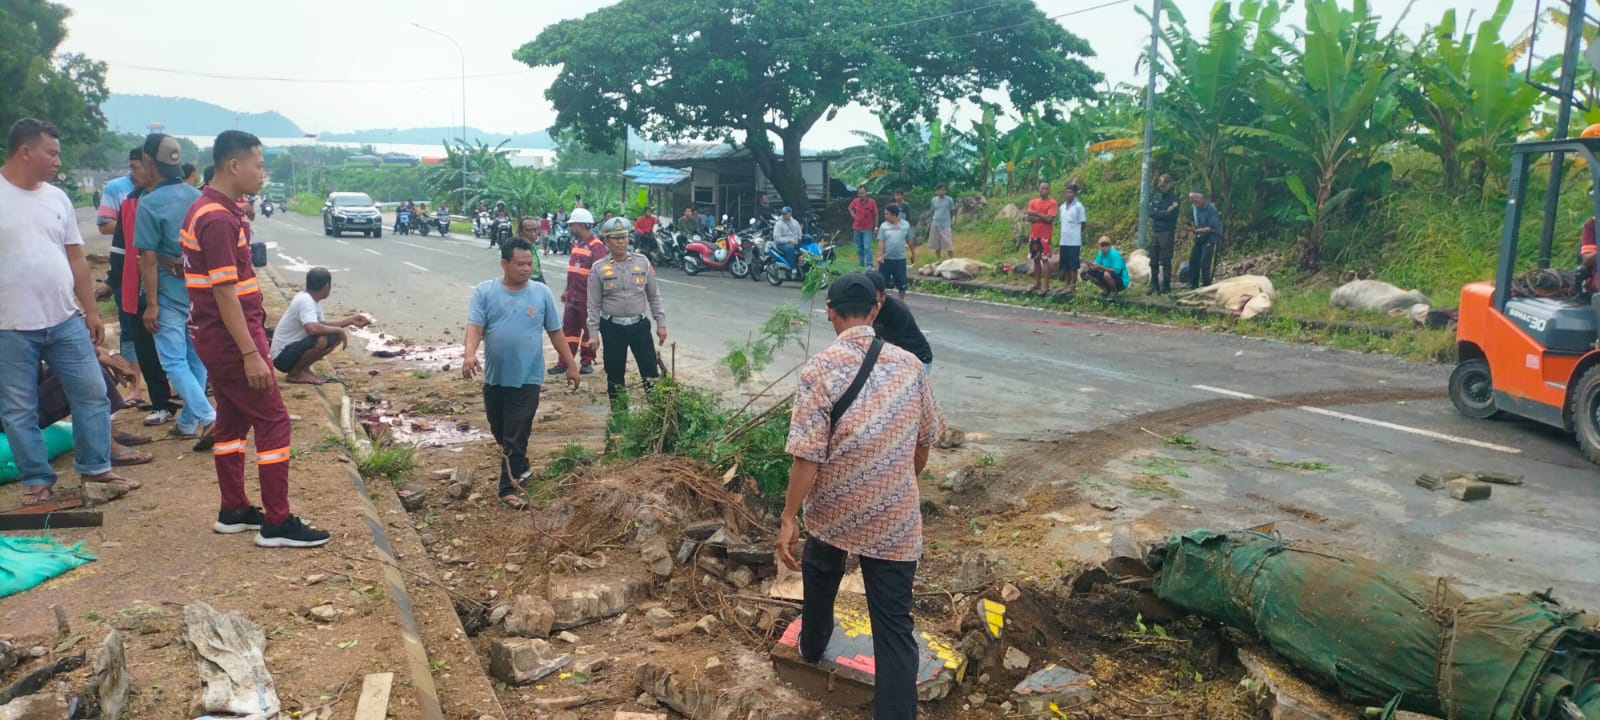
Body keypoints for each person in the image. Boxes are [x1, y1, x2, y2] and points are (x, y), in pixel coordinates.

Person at [776, 273, 946, 720]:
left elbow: (807, 458)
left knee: (819, 570)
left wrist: (790, 516)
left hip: (834, 512)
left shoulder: (819, 370)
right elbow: (926, 440)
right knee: (893, 626)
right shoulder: (910, 365)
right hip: (895, 520)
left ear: (830, 311)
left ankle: (812, 646)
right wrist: (897, 481)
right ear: (874, 310)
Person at [185, 130, 329, 546]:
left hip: (219, 338)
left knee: (232, 421)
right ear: (234, 165)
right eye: (259, 164)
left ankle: (234, 509)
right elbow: (225, 292)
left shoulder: (213, 210)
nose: (263, 173)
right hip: (233, 343)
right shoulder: (214, 218)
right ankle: (277, 522)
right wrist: (251, 352)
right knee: (274, 420)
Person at [0, 118, 140, 506]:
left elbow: (76, 259)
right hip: (8, 327)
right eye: (52, 153)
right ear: (25, 152)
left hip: (64, 320)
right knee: (17, 409)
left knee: (92, 393)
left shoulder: (57, 199)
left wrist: (91, 312)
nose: (58, 161)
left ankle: (96, 470)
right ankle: (37, 483)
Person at [463, 237, 580, 509]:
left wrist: (570, 364)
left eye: (529, 264)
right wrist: (469, 354)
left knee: (516, 433)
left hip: (528, 376)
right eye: (520, 264)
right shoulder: (485, 292)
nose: (526, 269)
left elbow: (555, 332)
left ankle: (507, 487)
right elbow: (475, 328)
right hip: (495, 376)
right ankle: (522, 464)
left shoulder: (541, 293)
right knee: (500, 429)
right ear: (505, 263)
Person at [134, 132, 217, 448]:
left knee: (172, 360)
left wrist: (151, 303)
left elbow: (148, 258)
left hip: (168, 293)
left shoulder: (150, 203)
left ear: (148, 160)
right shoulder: (198, 198)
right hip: (199, 291)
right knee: (195, 357)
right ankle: (187, 422)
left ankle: (209, 418)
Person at [115, 147, 178, 427]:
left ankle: (193, 399)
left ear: (150, 166)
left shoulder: (170, 200)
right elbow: (120, 248)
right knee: (145, 347)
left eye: (135, 167)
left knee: (180, 346)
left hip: (171, 288)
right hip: (135, 287)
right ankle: (162, 402)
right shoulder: (129, 202)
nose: (132, 173)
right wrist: (112, 281)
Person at [585, 217, 667, 402]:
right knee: (615, 375)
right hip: (612, 328)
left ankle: (657, 413)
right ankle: (619, 419)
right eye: (615, 238)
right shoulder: (599, 268)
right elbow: (593, 304)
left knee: (649, 372)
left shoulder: (642, 262)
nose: (620, 241)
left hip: (639, 326)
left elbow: (654, 296)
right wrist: (592, 334)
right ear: (606, 241)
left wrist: (660, 323)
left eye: (623, 237)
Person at [269, 267, 369, 385]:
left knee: (334, 336)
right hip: (281, 357)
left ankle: (303, 369)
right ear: (327, 285)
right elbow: (312, 329)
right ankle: (295, 374)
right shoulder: (305, 300)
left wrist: (350, 320)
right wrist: (339, 330)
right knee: (322, 338)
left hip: (289, 351)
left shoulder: (312, 301)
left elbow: (322, 325)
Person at [554, 208, 604, 375]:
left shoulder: (596, 246)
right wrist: (566, 290)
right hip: (573, 297)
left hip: (587, 298)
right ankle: (564, 362)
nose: (570, 228)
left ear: (581, 225)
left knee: (588, 331)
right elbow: (573, 272)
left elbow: (599, 274)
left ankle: (587, 361)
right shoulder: (577, 245)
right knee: (568, 331)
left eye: (573, 225)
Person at [866, 271, 933, 373]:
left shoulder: (897, 311)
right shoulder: (866, 307)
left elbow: (886, 350)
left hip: (917, 360)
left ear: (883, 295)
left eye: (871, 294)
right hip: (895, 358)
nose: (866, 298)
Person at [1147, 174, 1180, 294]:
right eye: (1160, 184)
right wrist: (1163, 212)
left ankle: (1166, 285)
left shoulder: (1174, 198)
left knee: (1166, 259)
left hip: (1167, 232)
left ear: (1170, 184)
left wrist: (1159, 213)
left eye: (1165, 184)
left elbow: (1171, 214)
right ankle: (1153, 284)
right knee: (1153, 259)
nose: (1162, 187)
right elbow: (1152, 213)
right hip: (1155, 231)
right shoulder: (1156, 197)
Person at [1186, 189, 1222, 289]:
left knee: (1205, 262)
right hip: (1199, 236)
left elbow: (1211, 227)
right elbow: (1190, 221)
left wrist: (1196, 231)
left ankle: (1206, 285)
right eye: (1191, 199)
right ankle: (1194, 285)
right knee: (1193, 260)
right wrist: (1190, 231)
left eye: (1195, 199)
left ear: (1201, 198)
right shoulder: (1193, 208)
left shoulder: (1211, 209)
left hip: (1210, 236)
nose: (1193, 201)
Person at [1025, 182, 1056, 295]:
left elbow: (1049, 219)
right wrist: (1042, 217)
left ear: (1049, 190)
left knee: (1045, 260)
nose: (1044, 190)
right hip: (1034, 235)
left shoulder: (1052, 203)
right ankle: (1037, 283)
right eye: (1042, 188)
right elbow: (1028, 218)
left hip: (1045, 237)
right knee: (1036, 260)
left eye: (1047, 188)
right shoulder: (1033, 202)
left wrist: (1036, 214)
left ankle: (1046, 285)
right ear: (1039, 189)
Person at [876, 204, 913, 301]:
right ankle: (881, 301)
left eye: (887, 214)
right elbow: (881, 242)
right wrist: (880, 256)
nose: (885, 216)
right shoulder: (884, 226)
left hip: (900, 259)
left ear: (894, 215)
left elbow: (909, 240)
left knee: (902, 283)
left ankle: (902, 301)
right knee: (882, 283)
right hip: (886, 259)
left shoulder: (905, 225)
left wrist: (913, 253)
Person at [1056, 184, 1086, 296]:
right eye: (1067, 192)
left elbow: (1083, 223)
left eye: (1071, 192)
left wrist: (1076, 232)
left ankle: (1073, 285)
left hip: (1074, 241)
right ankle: (1067, 284)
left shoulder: (1079, 207)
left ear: (1075, 194)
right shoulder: (1062, 207)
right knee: (1065, 264)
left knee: (1073, 264)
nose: (1068, 194)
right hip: (1064, 240)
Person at [849, 186, 879, 268]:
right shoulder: (855, 201)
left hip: (867, 229)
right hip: (857, 228)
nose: (861, 195)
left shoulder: (872, 202)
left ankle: (869, 264)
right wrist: (853, 215)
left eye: (863, 193)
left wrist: (876, 227)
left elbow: (876, 214)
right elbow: (850, 208)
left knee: (867, 247)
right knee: (859, 248)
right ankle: (861, 264)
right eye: (859, 193)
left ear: (866, 193)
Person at [927, 184, 956, 260]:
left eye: (943, 190)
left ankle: (952, 259)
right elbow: (932, 211)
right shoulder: (934, 200)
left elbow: (953, 212)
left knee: (948, 244)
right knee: (937, 244)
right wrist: (931, 222)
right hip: (936, 223)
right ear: (937, 191)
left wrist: (952, 222)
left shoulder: (949, 200)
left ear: (945, 191)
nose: (942, 192)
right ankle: (938, 259)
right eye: (940, 190)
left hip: (946, 224)